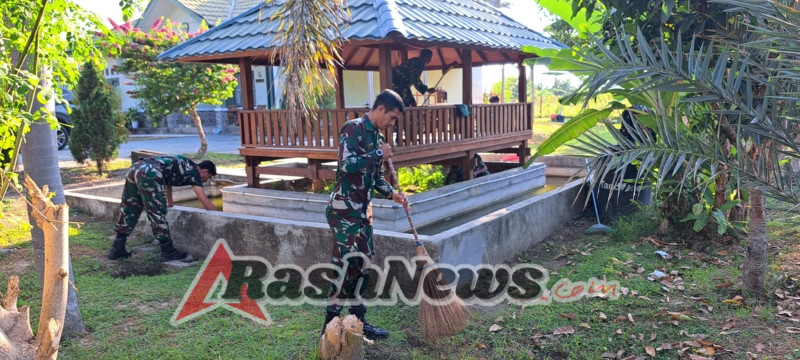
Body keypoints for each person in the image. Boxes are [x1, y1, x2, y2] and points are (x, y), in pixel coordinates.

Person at [321, 89, 409, 340]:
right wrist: (379, 154)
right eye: (392, 117)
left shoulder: (377, 136)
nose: (392, 123)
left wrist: (392, 193)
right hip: (343, 211)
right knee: (344, 266)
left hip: (362, 212)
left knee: (363, 264)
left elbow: (376, 177)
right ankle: (329, 328)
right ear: (380, 108)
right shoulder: (353, 128)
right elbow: (346, 165)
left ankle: (357, 322)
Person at [107, 155, 217, 262]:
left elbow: (168, 179)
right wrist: (220, 215)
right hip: (150, 172)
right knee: (157, 212)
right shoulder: (195, 174)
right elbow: (205, 202)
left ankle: (117, 247)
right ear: (205, 171)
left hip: (136, 167)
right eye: (209, 176)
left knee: (130, 206)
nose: (207, 180)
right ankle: (168, 251)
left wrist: (170, 202)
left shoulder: (186, 163)